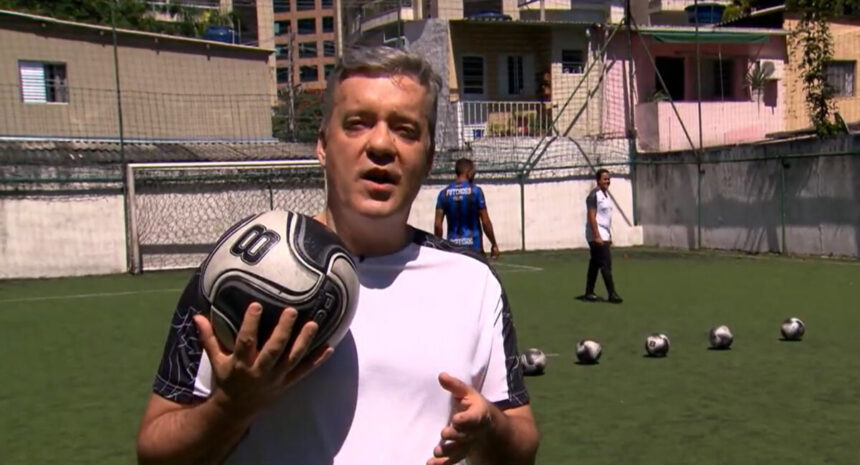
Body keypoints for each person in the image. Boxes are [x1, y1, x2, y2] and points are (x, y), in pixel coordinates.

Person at [136, 46, 539, 465]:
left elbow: (522, 443)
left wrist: (490, 424)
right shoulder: (241, 270)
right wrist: (233, 405)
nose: (381, 144)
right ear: (323, 145)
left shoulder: (472, 282)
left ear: (429, 157)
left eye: (405, 129)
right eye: (358, 124)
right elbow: (155, 452)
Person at [434, 158, 500, 259]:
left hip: (453, 248)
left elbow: (438, 225)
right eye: (473, 172)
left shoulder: (443, 194)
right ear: (468, 172)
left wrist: (439, 247)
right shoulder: (476, 192)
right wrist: (494, 243)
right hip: (474, 247)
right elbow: (485, 222)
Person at [577, 169, 623, 304]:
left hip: (604, 234)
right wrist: (596, 235)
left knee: (595, 263)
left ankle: (589, 292)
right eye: (604, 179)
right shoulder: (594, 195)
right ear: (598, 180)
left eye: (608, 179)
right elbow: (591, 216)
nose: (607, 181)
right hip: (596, 234)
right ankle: (612, 294)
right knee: (605, 263)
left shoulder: (606, 196)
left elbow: (606, 218)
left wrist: (608, 236)